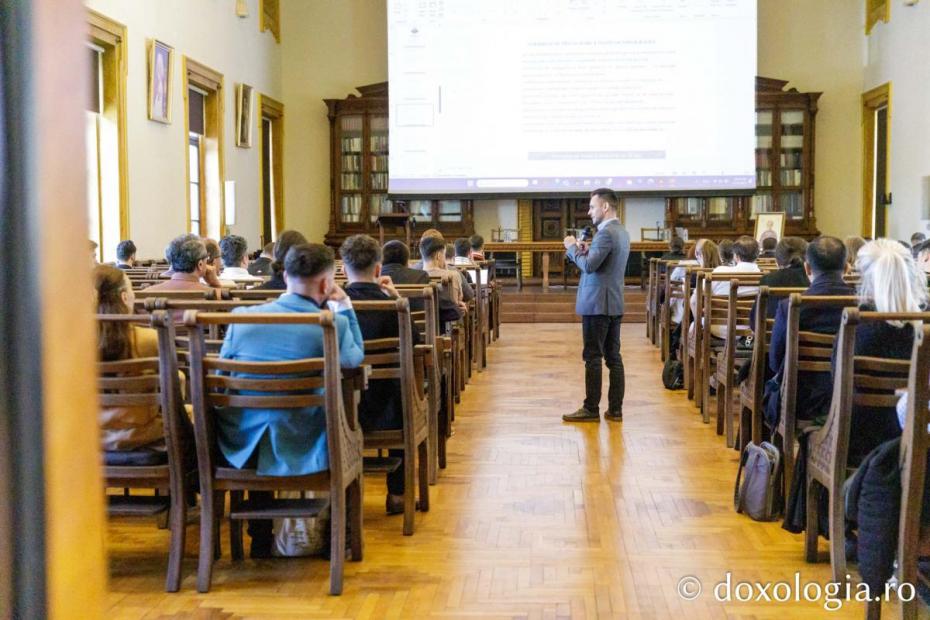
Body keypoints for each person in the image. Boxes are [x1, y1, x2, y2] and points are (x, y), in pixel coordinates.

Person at [217, 243, 364, 556]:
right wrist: (345, 305)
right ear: (326, 285)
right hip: (307, 441)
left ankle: (259, 538)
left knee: (264, 421)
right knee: (349, 431)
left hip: (244, 443)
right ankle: (339, 540)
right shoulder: (331, 323)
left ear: (285, 277)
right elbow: (354, 360)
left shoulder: (242, 318)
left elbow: (221, 375)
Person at [340, 234, 420, 514]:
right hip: (388, 411)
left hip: (342, 409)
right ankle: (397, 494)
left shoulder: (333, 305)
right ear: (378, 269)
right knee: (399, 388)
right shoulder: (391, 305)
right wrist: (398, 298)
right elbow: (415, 343)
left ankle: (339, 498)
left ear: (344, 269)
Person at [763, 236, 855, 428]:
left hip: (803, 400)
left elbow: (775, 362)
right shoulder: (863, 306)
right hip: (851, 398)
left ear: (807, 269)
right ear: (847, 268)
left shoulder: (790, 306)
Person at [561, 188, 630, 423]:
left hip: (597, 304)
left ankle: (591, 408)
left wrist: (572, 247)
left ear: (605, 207)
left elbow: (589, 267)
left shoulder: (606, 233)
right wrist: (588, 250)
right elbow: (602, 261)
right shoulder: (621, 231)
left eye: (592, 207)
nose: (589, 212)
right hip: (613, 302)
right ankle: (615, 410)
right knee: (613, 357)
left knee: (593, 357)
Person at [94, 264, 165, 451]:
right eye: (132, 290)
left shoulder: (75, 346)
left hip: (91, 437)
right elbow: (171, 390)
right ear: (124, 297)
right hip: (144, 436)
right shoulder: (149, 339)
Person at [749, 237, 810, 325]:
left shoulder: (767, 279)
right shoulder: (813, 279)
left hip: (771, 331)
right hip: (808, 330)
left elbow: (755, 320)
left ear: (777, 260)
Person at [142, 234, 220, 293]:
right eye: (206, 257)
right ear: (200, 264)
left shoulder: (147, 293)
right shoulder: (214, 294)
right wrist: (215, 284)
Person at [420, 235, 468, 315]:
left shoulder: (415, 276)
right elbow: (459, 299)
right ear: (438, 255)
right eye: (444, 255)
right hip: (446, 320)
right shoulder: (452, 275)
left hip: (421, 317)